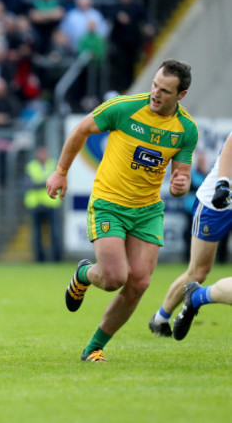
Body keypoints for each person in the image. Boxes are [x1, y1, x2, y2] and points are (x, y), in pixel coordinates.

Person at [46, 59, 198, 362]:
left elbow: (181, 175)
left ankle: (94, 348)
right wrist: (60, 172)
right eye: (154, 85)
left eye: (165, 91)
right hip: (109, 203)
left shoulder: (186, 129)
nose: (155, 94)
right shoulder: (123, 108)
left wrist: (181, 184)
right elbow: (80, 130)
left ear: (180, 96)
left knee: (139, 282)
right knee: (114, 277)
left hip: (147, 210)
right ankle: (84, 274)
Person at [149, 132, 232, 339]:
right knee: (198, 271)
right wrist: (223, 182)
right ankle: (161, 317)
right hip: (215, 205)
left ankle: (195, 298)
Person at [25, 146, 62, 262]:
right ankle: (40, 259)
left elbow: (57, 182)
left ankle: (56, 259)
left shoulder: (53, 165)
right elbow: (28, 184)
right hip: (36, 205)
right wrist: (46, 183)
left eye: (44, 153)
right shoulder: (31, 166)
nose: (42, 156)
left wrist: (38, 184)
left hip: (51, 204)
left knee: (54, 233)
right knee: (37, 235)